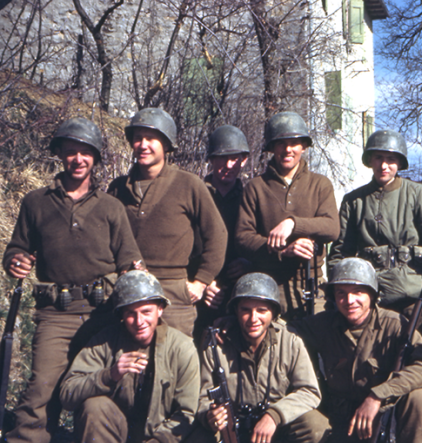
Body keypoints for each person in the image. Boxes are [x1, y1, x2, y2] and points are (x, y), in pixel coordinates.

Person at [1, 118, 143, 443]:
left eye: (86, 152)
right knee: (41, 387)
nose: (78, 158)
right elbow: (17, 248)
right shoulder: (36, 202)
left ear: (96, 159)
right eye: (70, 150)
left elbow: (130, 261)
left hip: (101, 316)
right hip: (55, 313)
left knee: (101, 391)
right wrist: (15, 261)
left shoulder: (111, 207)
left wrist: (131, 276)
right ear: (60, 154)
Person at [328, 129, 422, 443]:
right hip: (371, 304)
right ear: (369, 161)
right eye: (378, 158)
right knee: (371, 372)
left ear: (400, 163)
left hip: (416, 301)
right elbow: (339, 255)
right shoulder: (354, 201)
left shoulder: (420, 195)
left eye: (391, 159)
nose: (384, 164)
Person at [291, 258, 422, 443]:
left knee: (420, 397)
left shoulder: (396, 325)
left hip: (386, 423)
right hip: (344, 426)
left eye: (359, 292)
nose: (350, 301)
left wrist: (377, 396)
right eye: (342, 294)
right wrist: (232, 324)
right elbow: (284, 331)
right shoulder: (323, 324)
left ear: (372, 295)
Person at [59, 271, 200, 443]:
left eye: (146, 311)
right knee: (94, 406)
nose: (139, 321)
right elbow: (68, 393)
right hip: (115, 438)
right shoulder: (104, 341)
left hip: (158, 441)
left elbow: (188, 414)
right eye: (130, 314)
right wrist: (109, 375)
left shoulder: (182, 348)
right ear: (121, 315)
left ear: (160, 309)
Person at [185, 272, 331, 443]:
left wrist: (275, 416)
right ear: (235, 312)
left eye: (261, 310)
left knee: (316, 427)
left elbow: (309, 391)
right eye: (246, 310)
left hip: (274, 432)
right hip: (231, 431)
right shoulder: (216, 343)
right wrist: (209, 415)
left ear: (273, 313)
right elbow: (200, 395)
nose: (253, 318)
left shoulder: (290, 340)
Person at [108, 107, 228, 337]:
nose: (143, 145)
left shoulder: (188, 184)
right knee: (130, 363)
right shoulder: (118, 188)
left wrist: (201, 281)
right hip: (130, 289)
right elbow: (107, 238)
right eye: (138, 139)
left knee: (175, 362)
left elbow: (217, 235)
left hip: (174, 290)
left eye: (151, 138)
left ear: (166, 145)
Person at [235, 112, 339, 320]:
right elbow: (242, 237)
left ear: (304, 146)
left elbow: (332, 228)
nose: (288, 149)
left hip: (312, 283)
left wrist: (293, 224)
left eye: (294, 143)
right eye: (281, 143)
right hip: (269, 285)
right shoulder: (256, 187)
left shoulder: (320, 184)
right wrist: (283, 251)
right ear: (271, 148)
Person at [191, 125, 252, 340]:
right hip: (198, 288)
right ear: (211, 160)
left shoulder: (249, 197)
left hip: (238, 291)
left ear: (243, 160)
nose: (228, 165)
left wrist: (247, 263)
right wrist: (203, 280)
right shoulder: (195, 195)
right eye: (221, 158)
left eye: (234, 158)